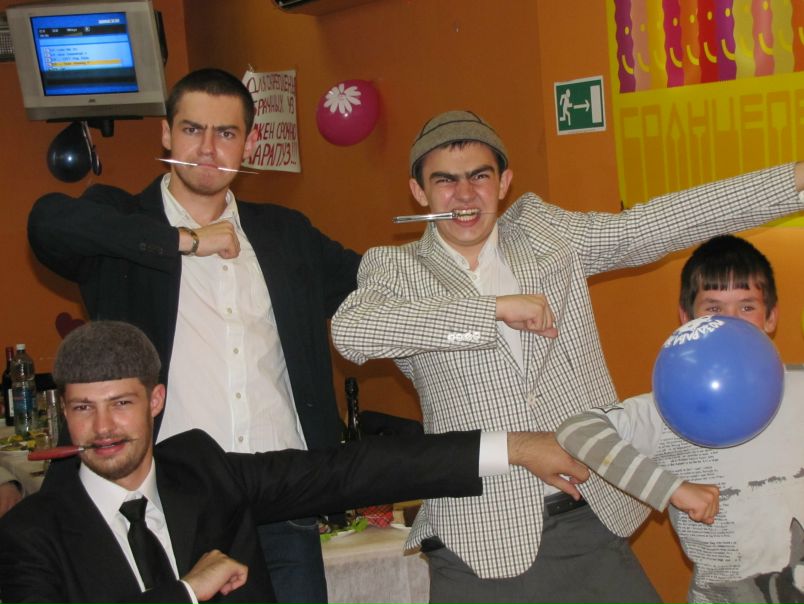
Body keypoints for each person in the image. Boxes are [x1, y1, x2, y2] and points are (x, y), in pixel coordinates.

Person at [331, 110, 804, 603]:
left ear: (504, 182)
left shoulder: (545, 234)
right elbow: (353, 332)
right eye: (445, 181)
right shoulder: (395, 268)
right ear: (418, 191)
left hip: (589, 516)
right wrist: (492, 309)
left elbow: (651, 225)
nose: (465, 195)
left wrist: (793, 180)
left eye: (479, 176)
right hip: (479, 538)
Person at [27, 68, 360, 603]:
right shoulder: (123, 223)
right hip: (172, 504)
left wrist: (483, 293)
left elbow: (373, 286)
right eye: (191, 130)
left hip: (284, 498)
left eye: (225, 133)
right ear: (166, 133)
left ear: (248, 143)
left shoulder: (285, 232)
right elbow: (47, 222)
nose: (207, 149)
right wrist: (183, 240)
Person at [0, 320, 589, 604]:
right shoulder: (33, 531)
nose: (103, 428)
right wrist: (186, 593)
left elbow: (347, 472)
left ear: (155, 402)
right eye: (84, 408)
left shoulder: (204, 474)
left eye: (121, 404)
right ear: (63, 412)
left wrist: (513, 447)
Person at [557, 235, 804, 604]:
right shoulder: (665, 409)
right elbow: (577, 430)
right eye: (713, 308)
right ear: (685, 319)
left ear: (771, 318)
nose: (730, 323)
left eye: (747, 306)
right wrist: (671, 488)